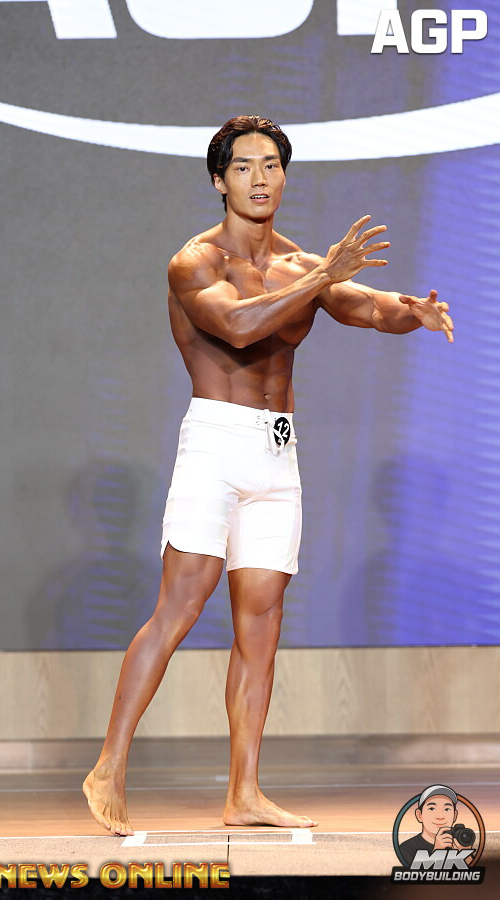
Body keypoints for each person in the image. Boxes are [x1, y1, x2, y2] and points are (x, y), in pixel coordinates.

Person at [83, 115, 454, 836]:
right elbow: (240, 326)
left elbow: (365, 306)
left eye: (272, 165)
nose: (260, 179)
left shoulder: (300, 264)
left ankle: (244, 792)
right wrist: (323, 276)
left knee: (261, 623)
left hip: (277, 455)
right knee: (181, 606)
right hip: (215, 445)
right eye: (245, 167)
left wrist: (412, 311)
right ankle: (109, 766)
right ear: (219, 180)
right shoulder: (195, 261)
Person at [399, 785, 475, 867]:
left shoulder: (460, 842)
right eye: (432, 809)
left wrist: (465, 854)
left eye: (447, 809)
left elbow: (475, 872)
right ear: (419, 815)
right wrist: (437, 852)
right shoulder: (407, 848)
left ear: (455, 815)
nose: (440, 816)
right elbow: (416, 874)